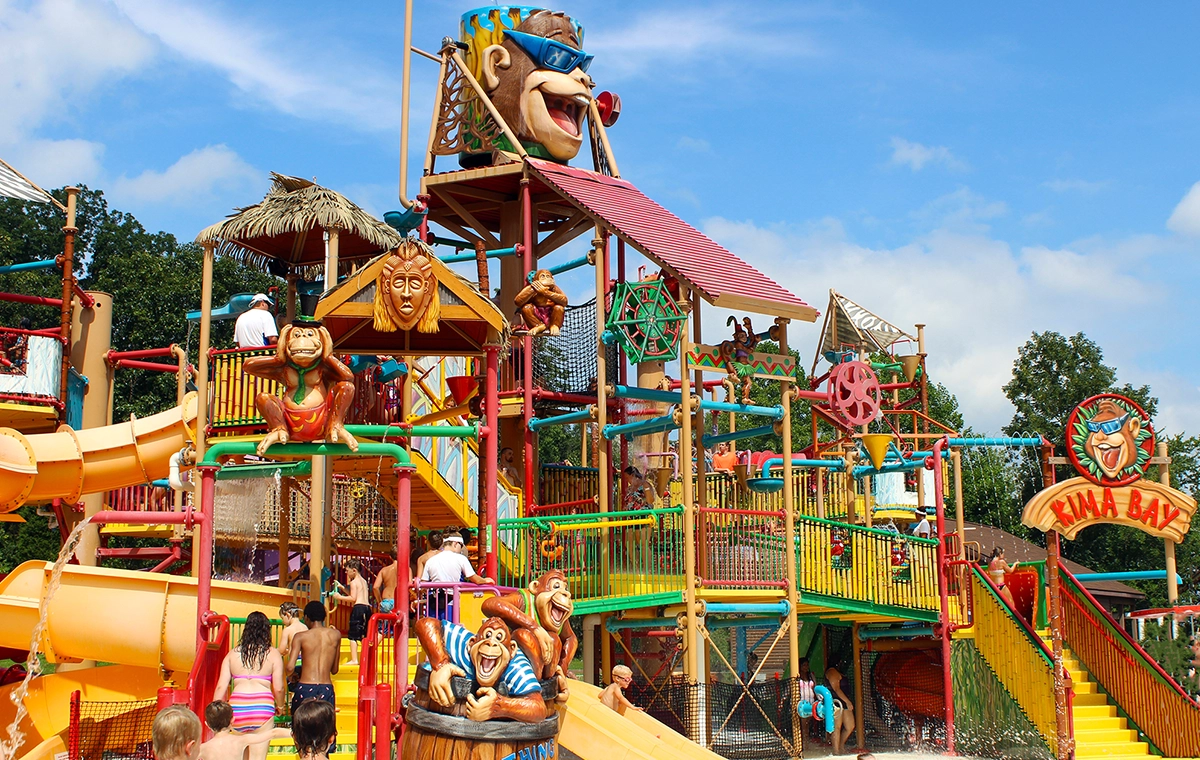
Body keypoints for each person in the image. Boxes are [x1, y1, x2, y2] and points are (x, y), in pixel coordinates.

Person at [212, 611, 285, 734]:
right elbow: (279, 688)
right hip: (262, 707)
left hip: (237, 709)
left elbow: (221, 687)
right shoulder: (272, 654)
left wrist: (215, 712)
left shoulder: (232, 654)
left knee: (240, 752)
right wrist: (281, 706)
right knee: (259, 754)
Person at [420, 533, 494, 620]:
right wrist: (485, 580)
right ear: (455, 543)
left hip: (434, 603)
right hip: (452, 602)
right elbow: (475, 579)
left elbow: (423, 583)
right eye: (461, 545)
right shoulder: (461, 559)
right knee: (452, 630)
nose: (461, 549)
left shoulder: (431, 561)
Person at [286, 601, 341, 714]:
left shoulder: (300, 637)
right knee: (325, 728)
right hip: (326, 688)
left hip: (305, 687)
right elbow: (334, 670)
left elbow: (290, 667)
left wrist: (292, 675)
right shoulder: (336, 635)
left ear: (306, 617)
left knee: (301, 727)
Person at [200, 701, 290, 760]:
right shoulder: (240, 740)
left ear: (207, 724)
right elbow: (274, 733)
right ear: (232, 720)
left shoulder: (202, 748)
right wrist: (296, 732)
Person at [331, 560, 371, 665]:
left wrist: (339, 597)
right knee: (364, 635)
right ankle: (365, 658)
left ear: (354, 570)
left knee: (353, 636)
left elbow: (353, 598)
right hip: (367, 608)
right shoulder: (363, 581)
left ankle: (354, 659)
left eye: (347, 570)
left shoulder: (353, 582)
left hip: (358, 608)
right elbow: (356, 594)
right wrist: (342, 588)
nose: (346, 573)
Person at [825, 665, 856, 755]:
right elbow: (836, 689)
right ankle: (836, 751)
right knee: (837, 727)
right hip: (836, 702)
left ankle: (841, 745)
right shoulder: (831, 671)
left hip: (844, 702)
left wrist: (847, 701)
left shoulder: (838, 671)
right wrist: (848, 701)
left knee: (850, 726)